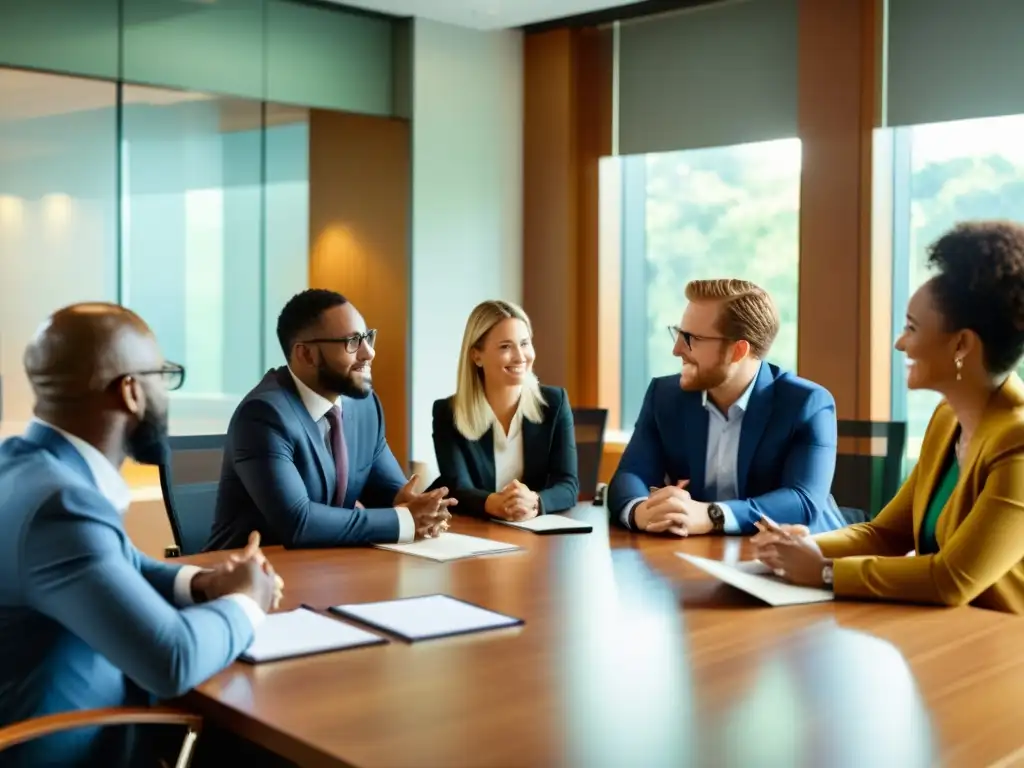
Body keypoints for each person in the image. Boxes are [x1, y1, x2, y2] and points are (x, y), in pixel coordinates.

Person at [0, 303, 280, 768]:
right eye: (162, 376)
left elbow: (116, 561)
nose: (165, 395)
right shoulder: (62, 505)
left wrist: (203, 583)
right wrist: (248, 600)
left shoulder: (23, 467)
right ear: (131, 391)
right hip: (65, 751)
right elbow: (172, 660)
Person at [753, 221, 1024, 614]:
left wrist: (825, 572)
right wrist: (800, 548)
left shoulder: (1017, 441)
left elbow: (952, 580)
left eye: (911, 328)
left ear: (962, 344)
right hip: (942, 638)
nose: (900, 342)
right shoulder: (948, 418)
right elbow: (886, 534)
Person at [207, 289, 454, 550]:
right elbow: (299, 522)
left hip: (328, 570)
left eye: (368, 337)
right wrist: (404, 519)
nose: (368, 353)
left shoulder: (364, 406)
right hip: (249, 575)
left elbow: (393, 494)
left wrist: (420, 509)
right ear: (306, 355)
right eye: (352, 341)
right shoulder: (263, 415)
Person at [609, 278, 843, 536]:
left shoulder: (807, 403)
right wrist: (640, 511)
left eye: (691, 339)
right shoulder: (664, 396)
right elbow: (631, 473)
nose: (677, 350)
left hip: (801, 557)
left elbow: (802, 500)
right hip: (702, 553)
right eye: (678, 333)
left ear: (738, 351)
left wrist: (713, 515)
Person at [431, 300, 578, 519]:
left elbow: (568, 485)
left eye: (525, 343)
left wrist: (535, 501)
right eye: (505, 347)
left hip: (535, 535)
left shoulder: (554, 404)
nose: (520, 357)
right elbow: (457, 487)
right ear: (476, 356)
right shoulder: (448, 412)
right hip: (475, 534)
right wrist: (494, 503)